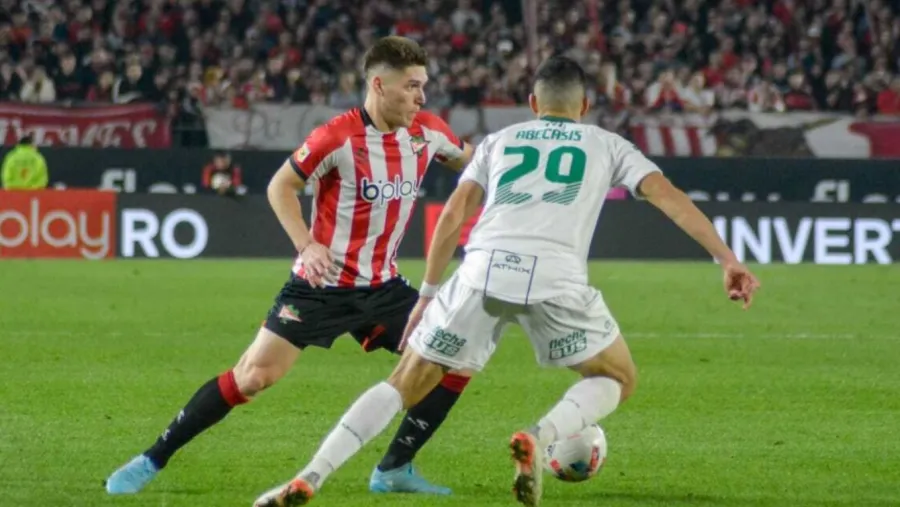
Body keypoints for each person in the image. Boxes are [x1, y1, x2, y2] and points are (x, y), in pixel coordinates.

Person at [252, 55, 761, 507]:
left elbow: (453, 216)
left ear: (534, 103)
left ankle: (310, 476)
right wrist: (726, 259)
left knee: (401, 384)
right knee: (619, 377)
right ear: (585, 106)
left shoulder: (500, 141)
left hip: (482, 270)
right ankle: (540, 436)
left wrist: (428, 294)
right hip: (556, 277)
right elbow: (669, 197)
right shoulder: (608, 145)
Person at [105, 36, 476, 497]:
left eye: (423, 86)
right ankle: (152, 457)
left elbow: (477, 164)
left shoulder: (428, 132)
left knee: (454, 357)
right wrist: (307, 245)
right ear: (380, 85)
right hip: (320, 286)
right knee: (253, 377)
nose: (421, 97)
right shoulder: (336, 137)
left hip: (384, 288)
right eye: (412, 86)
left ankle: (395, 468)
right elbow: (280, 187)